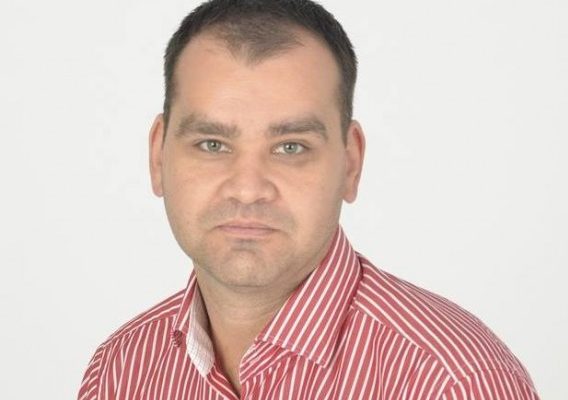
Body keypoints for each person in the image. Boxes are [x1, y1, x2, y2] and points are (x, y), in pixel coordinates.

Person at [78, 0, 540, 399]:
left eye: (290, 148)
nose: (248, 188)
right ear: (158, 155)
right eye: (212, 144)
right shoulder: (119, 372)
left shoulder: (454, 383)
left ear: (350, 164)